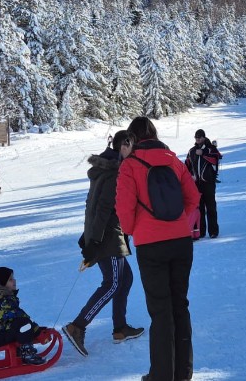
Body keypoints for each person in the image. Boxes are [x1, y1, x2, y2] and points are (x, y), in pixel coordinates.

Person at [116, 116, 200, 381]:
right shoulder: (174, 160)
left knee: (161, 311)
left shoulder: (129, 166)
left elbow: (124, 212)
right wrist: (177, 222)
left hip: (151, 245)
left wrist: (138, 229)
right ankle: (183, 373)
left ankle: (161, 376)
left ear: (133, 138)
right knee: (180, 306)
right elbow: (194, 197)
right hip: (181, 242)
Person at [62, 131, 144, 357]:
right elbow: (103, 208)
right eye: (132, 147)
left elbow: (92, 203)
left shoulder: (105, 168)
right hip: (108, 236)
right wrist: (94, 240)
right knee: (113, 283)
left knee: (124, 278)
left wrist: (87, 234)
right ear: (124, 146)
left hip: (105, 234)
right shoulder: (115, 172)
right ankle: (77, 326)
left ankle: (120, 328)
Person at [0, 267, 47, 365]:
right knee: (24, 324)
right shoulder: (2, 300)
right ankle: (27, 353)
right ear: (1, 283)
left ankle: (19, 351)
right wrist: (36, 330)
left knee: (18, 324)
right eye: (10, 279)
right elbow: (18, 315)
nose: (14, 281)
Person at [185, 129, 223, 239]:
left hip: (209, 182)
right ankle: (200, 232)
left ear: (204, 137)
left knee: (211, 207)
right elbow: (187, 165)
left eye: (200, 137)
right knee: (199, 208)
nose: (198, 139)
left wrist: (204, 153)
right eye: (196, 137)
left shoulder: (211, 148)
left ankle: (213, 231)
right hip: (196, 184)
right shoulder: (192, 151)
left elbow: (216, 159)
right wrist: (188, 177)